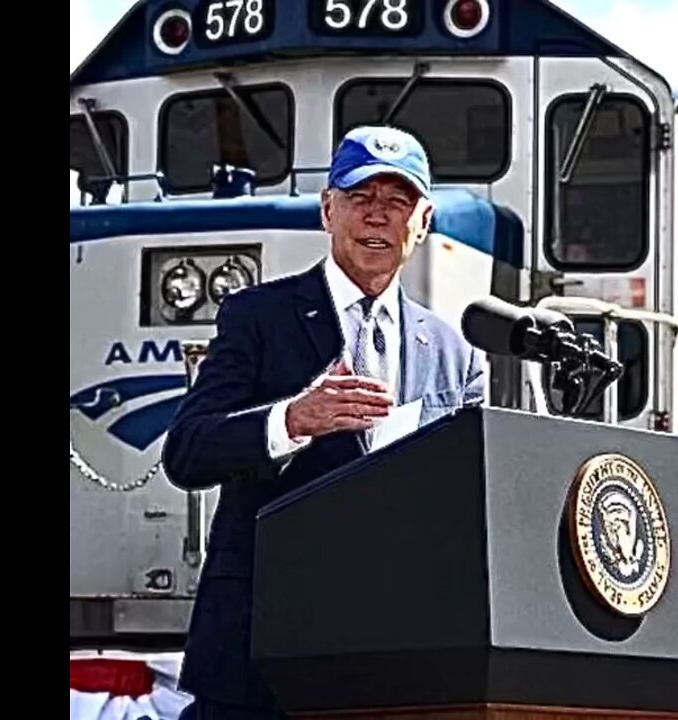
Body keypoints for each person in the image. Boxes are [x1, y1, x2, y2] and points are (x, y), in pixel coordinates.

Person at [163, 124, 487, 720]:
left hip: (398, 659)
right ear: (327, 210)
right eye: (360, 197)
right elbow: (186, 452)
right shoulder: (257, 317)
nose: (376, 216)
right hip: (261, 648)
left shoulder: (456, 353)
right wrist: (291, 420)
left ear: (423, 221)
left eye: (397, 201)